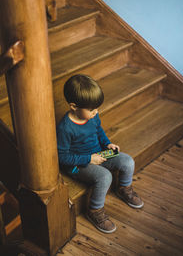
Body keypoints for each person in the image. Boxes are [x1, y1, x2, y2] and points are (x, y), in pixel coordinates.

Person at [56, 74, 143, 234]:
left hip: (98, 154)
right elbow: (62, 157)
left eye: (97, 109)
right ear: (74, 106)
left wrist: (107, 143)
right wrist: (89, 159)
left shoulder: (92, 116)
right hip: (76, 166)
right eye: (92, 110)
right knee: (105, 177)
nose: (96, 112)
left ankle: (124, 189)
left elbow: (99, 131)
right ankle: (95, 210)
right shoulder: (65, 128)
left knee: (127, 161)